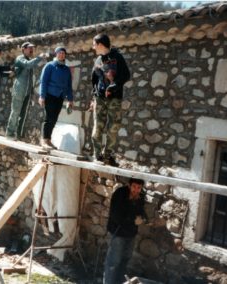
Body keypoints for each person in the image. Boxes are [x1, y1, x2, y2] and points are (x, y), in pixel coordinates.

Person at [91, 33, 130, 165]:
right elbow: (94, 78)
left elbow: (126, 75)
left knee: (113, 128)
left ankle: (108, 155)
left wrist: (114, 86)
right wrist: (94, 95)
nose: (93, 47)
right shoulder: (97, 60)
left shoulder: (117, 57)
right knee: (98, 127)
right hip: (100, 98)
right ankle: (97, 155)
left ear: (101, 45)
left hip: (114, 98)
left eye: (94, 44)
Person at [103, 178, 146, 284]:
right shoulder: (120, 194)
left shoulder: (140, 197)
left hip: (131, 234)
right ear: (129, 185)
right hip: (118, 233)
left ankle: (120, 282)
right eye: (134, 187)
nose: (136, 190)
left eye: (139, 188)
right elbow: (116, 216)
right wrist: (133, 220)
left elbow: (141, 211)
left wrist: (144, 218)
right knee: (114, 262)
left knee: (125, 260)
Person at [5, 42, 47, 140]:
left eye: (32, 48)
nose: (31, 50)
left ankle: (19, 135)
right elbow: (28, 65)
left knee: (23, 115)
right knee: (15, 112)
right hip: (19, 90)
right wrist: (39, 58)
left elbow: (30, 76)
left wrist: (31, 91)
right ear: (23, 49)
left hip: (27, 91)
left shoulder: (29, 60)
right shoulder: (20, 58)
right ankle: (9, 133)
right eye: (29, 48)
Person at [38, 46, 73, 150]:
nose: (61, 54)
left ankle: (48, 140)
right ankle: (44, 140)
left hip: (60, 97)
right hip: (49, 95)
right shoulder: (49, 66)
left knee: (54, 119)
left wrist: (70, 99)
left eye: (63, 53)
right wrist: (42, 96)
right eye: (60, 52)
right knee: (49, 118)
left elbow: (68, 86)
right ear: (56, 54)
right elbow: (43, 81)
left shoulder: (66, 69)